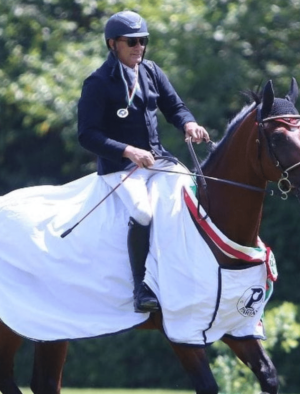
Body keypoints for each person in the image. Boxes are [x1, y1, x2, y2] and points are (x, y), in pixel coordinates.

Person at [77, 10, 209, 313]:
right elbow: (87, 136)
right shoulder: (97, 83)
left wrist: (188, 124)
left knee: (192, 192)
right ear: (113, 44)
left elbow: (175, 107)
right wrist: (128, 151)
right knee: (143, 212)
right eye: (132, 42)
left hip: (157, 161)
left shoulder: (151, 71)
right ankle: (142, 288)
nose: (140, 47)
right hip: (120, 169)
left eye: (144, 41)